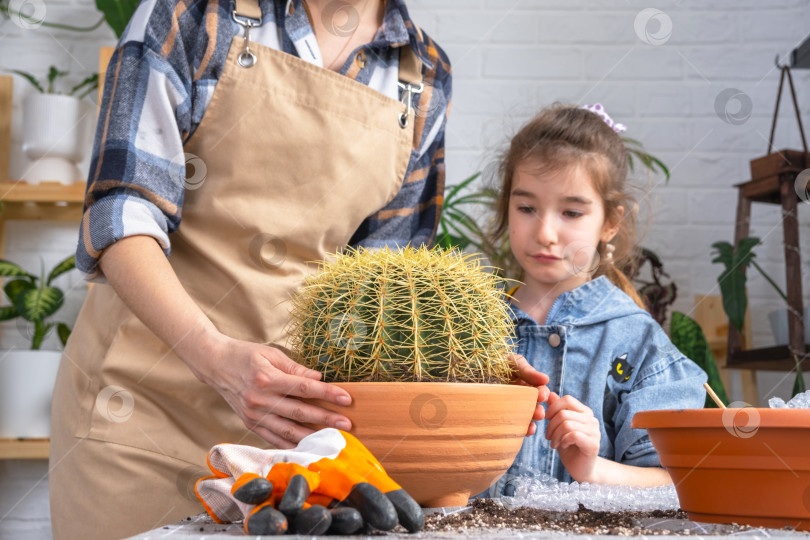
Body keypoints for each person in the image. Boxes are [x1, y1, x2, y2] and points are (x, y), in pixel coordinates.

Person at [47, 0, 470, 538]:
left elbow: (380, 291)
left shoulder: (423, 73)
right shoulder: (194, 14)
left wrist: (475, 371)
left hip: (290, 441)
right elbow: (121, 213)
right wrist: (217, 358)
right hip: (138, 412)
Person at [490, 104, 707, 488]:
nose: (545, 233)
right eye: (526, 207)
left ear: (610, 223)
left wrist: (592, 469)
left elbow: (679, 481)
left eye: (571, 212)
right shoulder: (468, 324)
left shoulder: (637, 343)